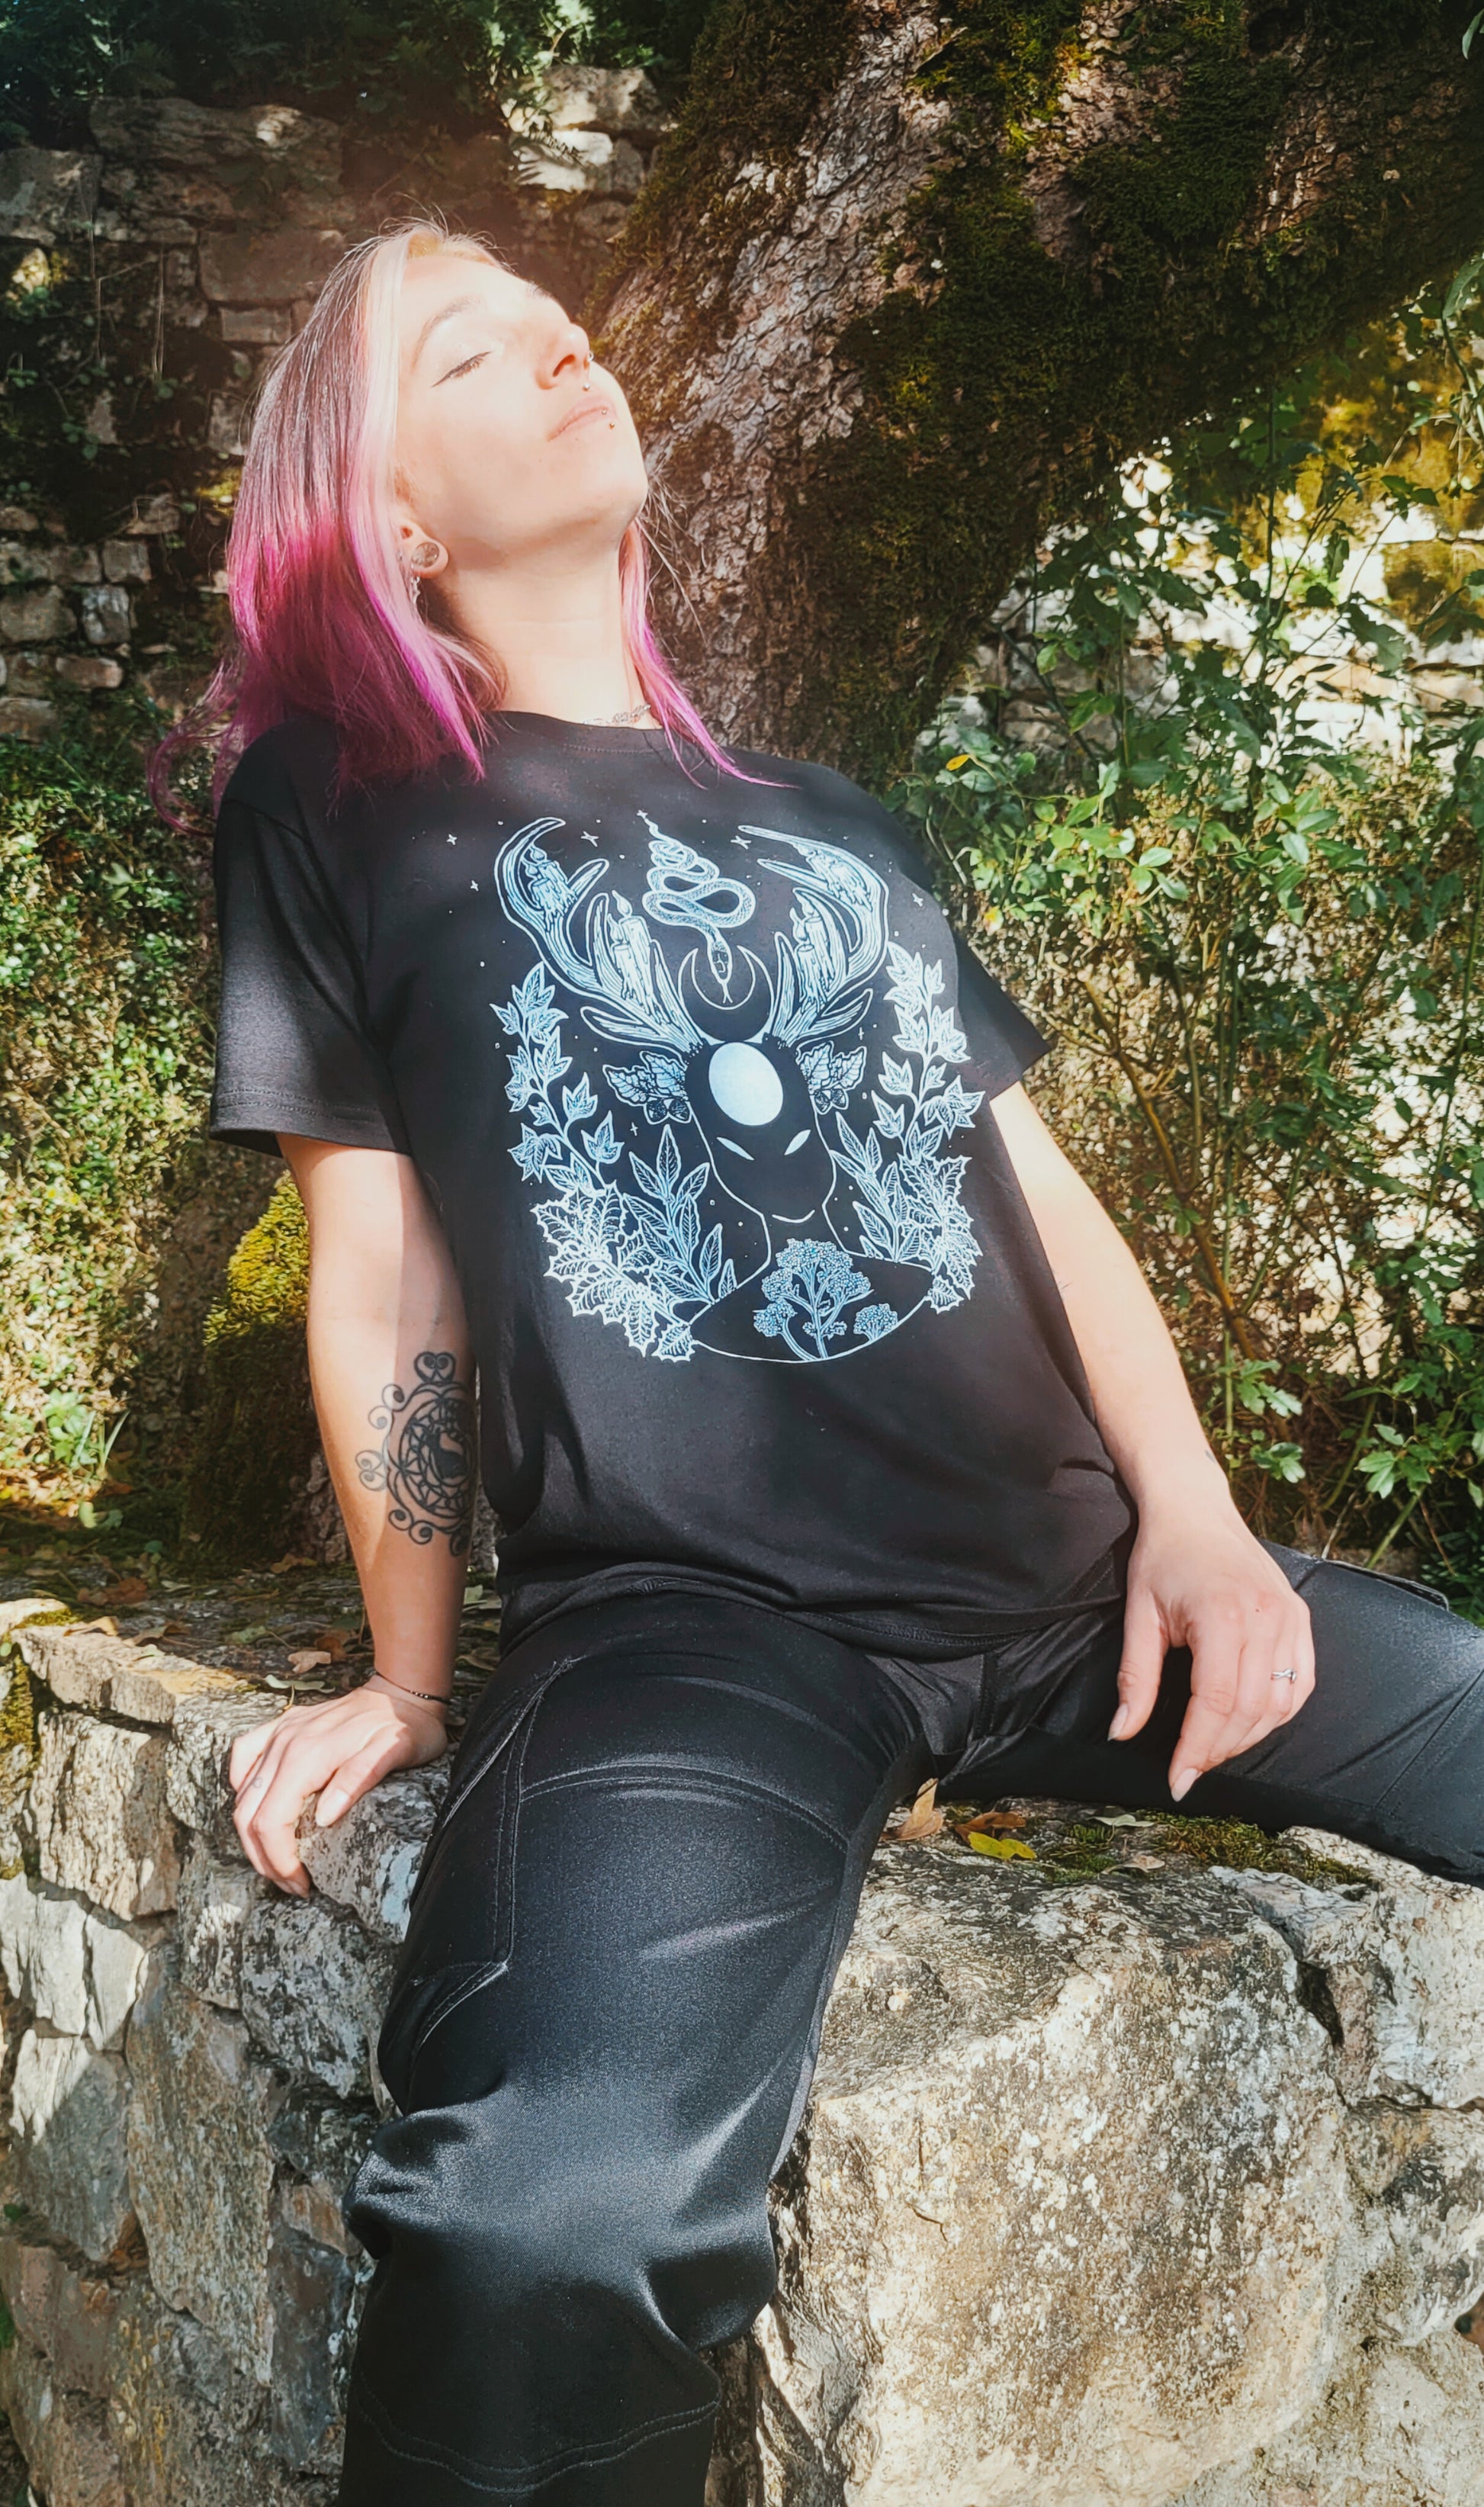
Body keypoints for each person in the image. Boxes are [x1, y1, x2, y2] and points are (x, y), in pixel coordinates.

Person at [168, 219, 1484, 2507]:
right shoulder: (334, 805)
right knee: (542, 2217)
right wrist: (407, 1675)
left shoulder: (832, 823)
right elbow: (377, 1274)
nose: (556, 346)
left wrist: (1196, 1525)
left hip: (1078, 1595)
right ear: (390, 519)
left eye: (552, 318)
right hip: (698, 1632)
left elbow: (1037, 1196)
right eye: (467, 355)